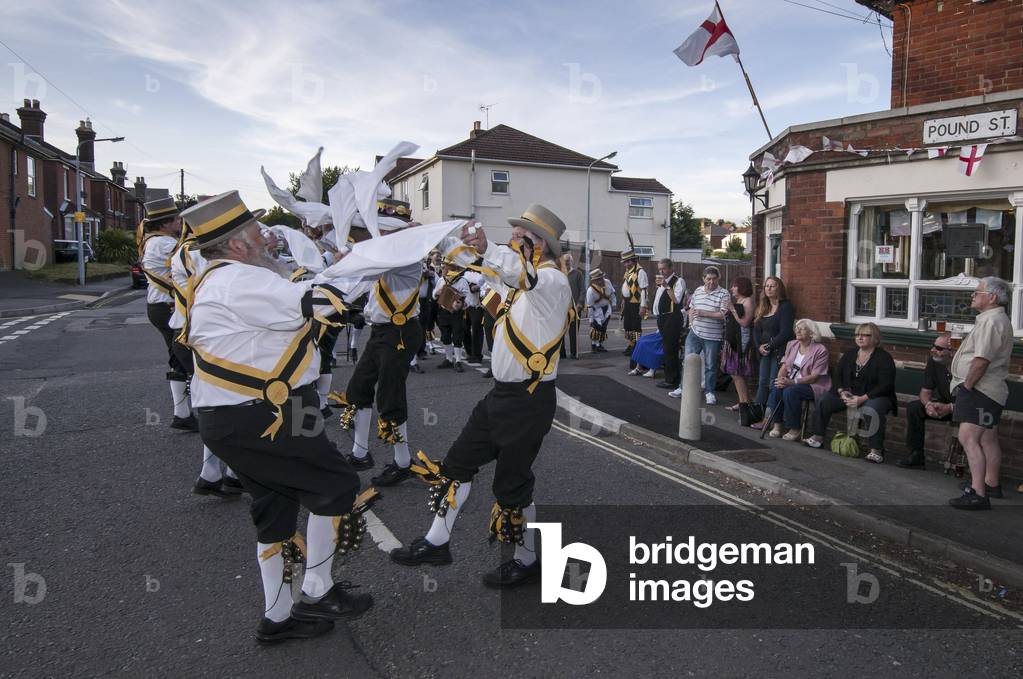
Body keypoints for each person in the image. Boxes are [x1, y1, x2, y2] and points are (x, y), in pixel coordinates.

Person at [181, 191, 374, 644]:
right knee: (336, 485)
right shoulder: (239, 280)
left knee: (275, 507)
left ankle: (278, 617)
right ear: (236, 245)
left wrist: (335, 267)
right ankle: (318, 589)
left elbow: (293, 297)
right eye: (257, 232)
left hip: (248, 412)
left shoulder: (225, 278)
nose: (268, 238)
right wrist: (366, 262)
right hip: (264, 413)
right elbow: (322, 302)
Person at [390, 204, 572, 588]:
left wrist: (488, 249)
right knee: (457, 463)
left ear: (541, 245)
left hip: (529, 401)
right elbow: (478, 271)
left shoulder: (552, 283)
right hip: (500, 397)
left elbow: (512, 270)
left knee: (512, 485)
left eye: (521, 237)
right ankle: (437, 541)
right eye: (514, 235)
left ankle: (527, 560)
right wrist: (433, 236)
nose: (513, 240)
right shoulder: (515, 286)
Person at [338, 200, 426, 487]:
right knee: (358, 389)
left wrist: (345, 245)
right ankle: (360, 453)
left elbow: (368, 265)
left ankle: (403, 462)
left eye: (385, 229)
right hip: (381, 332)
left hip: (400, 333)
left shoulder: (407, 256)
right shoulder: (386, 254)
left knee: (390, 397)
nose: (380, 234)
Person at [948, 277, 1014, 510]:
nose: (973, 296)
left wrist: (967, 386)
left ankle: (978, 493)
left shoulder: (992, 321)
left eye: (977, 292)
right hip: (989, 389)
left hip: (980, 389)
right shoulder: (994, 319)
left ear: (992, 297)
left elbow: (981, 360)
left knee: (968, 437)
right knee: (987, 438)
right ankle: (991, 483)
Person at [804, 322, 897, 463]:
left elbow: (886, 384)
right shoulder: (850, 354)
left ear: (875, 338)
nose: (860, 337)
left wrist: (862, 398)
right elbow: (837, 375)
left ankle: (876, 450)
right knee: (824, 400)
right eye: (857, 335)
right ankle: (818, 437)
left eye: (865, 335)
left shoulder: (884, 358)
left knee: (872, 408)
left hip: (875, 395)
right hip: (849, 394)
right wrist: (841, 391)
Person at [758, 319, 832, 440]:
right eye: (797, 328)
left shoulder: (820, 350)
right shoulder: (792, 344)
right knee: (777, 387)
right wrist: (780, 379)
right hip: (791, 382)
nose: (797, 330)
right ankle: (777, 425)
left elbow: (815, 377)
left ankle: (795, 428)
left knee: (790, 391)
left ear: (811, 333)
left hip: (813, 385)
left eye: (802, 329)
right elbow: (784, 366)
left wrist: (793, 382)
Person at [896, 332, 953, 469]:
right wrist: (928, 404)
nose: (933, 350)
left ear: (952, 351)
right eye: (933, 346)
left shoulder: (964, 366)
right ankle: (916, 455)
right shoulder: (934, 362)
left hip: (963, 407)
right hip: (944, 403)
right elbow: (925, 391)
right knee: (914, 407)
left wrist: (949, 407)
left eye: (939, 348)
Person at [678, 266, 730, 403]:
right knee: (687, 361)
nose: (711, 282)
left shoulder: (724, 293)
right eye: (708, 279)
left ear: (718, 279)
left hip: (713, 336)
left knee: (710, 366)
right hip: (695, 333)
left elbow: (723, 315)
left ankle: (709, 392)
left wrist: (704, 313)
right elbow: (691, 309)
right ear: (703, 279)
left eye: (714, 279)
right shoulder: (698, 291)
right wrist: (691, 324)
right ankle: (683, 388)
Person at [753, 277, 795, 413]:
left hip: (779, 351)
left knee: (773, 382)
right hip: (765, 351)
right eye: (767, 286)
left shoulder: (786, 307)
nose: (769, 289)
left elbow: (785, 332)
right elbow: (756, 329)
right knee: (762, 381)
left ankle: (770, 415)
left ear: (779, 288)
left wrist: (768, 346)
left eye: (772, 286)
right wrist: (759, 346)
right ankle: (757, 412)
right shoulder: (763, 306)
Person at [721, 276, 757, 423]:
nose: (732, 289)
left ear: (742, 287)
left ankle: (745, 404)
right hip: (731, 340)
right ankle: (743, 401)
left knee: (737, 373)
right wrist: (727, 312)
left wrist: (732, 309)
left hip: (741, 342)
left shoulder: (748, 301)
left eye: (734, 286)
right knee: (734, 373)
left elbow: (745, 322)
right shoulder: (738, 301)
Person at [651, 258, 686, 390]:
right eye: (659, 269)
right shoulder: (663, 281)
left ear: (671, 268)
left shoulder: (678, 281)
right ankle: (671, 377)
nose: (661, 271)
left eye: (664, 269)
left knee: (670, 349)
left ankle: (672, 380)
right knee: (667, 348)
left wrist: (666, 286)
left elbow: (676, 300)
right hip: (663, 318)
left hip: (672, 318)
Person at [433, 260, 470, 372]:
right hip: (443, 312)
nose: (442, 269)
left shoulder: (462, 281)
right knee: (445, 336)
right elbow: (434, 295)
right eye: (442, 267)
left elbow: (468, 298)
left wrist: (461, 304)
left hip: (456, 313)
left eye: (444, 267)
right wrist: (437, 293)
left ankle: (458, 361)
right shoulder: (441, 280)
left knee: (457, 336)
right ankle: (448, 359)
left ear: (450, 269)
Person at [620, 248, 649, 359]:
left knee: (635, 325)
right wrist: (624, 300)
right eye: (625, 262)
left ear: (634, 260)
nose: (626, 264)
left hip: (636, 303)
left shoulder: (640, 272)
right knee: (627, 325)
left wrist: (643, 306)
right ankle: (631, 344)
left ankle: (636, 346)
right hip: (628, 302)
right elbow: (626, 286)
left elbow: (644, 290)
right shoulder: (628, 271)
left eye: (628, 261)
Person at [559, 253, 585, 360]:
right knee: (560, 331)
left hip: (574, 307)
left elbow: (582, 290)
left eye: (568, 261)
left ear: (571, 262)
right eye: (564, 261)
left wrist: (580, 304)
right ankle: (562, 353)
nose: (566, 263)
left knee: (573, 332)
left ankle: (574, 353)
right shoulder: (560, 274)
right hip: (561, 307)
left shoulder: (578, 274)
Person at [586, 269, 616, 352]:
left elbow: (613, 293)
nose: (601, 280)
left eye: (601, 278)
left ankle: (600, 344)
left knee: (603, 327)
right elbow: (590, 306)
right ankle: (594, 345)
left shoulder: (607, 282)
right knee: (596, 328)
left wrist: (614, 304)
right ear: (594, 281)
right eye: (598, 279)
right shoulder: (590, 290)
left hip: (607, 308)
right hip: (596, 310)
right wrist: (591, 319)